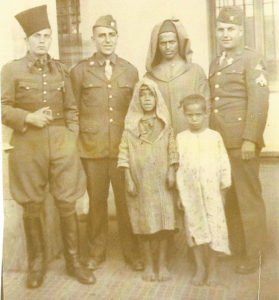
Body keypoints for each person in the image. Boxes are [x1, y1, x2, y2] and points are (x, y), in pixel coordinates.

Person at [1, 5, 95, 288]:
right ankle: (36, 264)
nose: (42, 41)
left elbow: (72, 108)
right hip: (28, 141)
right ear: (27, 40)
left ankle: (73, 262)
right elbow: (2, 106)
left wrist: (71, 137)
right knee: (32, 204)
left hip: (61, 141)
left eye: (47, 36)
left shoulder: (61, 70)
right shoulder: (11, 70)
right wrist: (27, 117)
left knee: (67, 202)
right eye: (37, 37)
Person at [70, 15, 142, 271]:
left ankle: (132, 251)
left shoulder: (130, 70)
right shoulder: (80, 71)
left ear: (117, 38)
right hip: (93, 149)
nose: (107, 40)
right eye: (102, 35)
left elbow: (137, 111)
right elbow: (73, 110)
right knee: (97, 203)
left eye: (111, 35)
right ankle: (96, 251)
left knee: (126, 203)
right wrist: (76, 145)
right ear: (93, 39)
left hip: (122, 149)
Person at [209, 6, 269, 273]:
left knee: (248, 199)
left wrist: (250, 139)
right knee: (230, 197)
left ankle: (254, 254)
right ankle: (237, 246)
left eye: (231, 29)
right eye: (221, 29)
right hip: (220, 143)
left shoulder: (251, 59)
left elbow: (259, 101)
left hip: (241, 142)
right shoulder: (216, 61)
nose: (225, 34)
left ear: (242, 32)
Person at [118, 78, 178, 281]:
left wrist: (171, 171)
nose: (146, 99)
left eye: (150, 95)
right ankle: (149, 265)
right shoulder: (130, 127)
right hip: (139, 182)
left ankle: (161, 264)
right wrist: (128, 178)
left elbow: (173, 150)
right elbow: (124, 153)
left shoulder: (166, 126)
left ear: (156, 98)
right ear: (137, 99)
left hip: (162, 182)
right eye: (142, 95)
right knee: (142, 223)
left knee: (163, 223)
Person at [176, 95, 231, 285]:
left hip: (212, 193)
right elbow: (178, 168)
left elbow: (224, 164)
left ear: (206, 114)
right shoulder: (181, 138)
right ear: (184, 115)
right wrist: (179, 195)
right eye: (190, 115)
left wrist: (223, 191)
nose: (194, 119)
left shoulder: (214, 137)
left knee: (215, 229)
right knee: (195, 228)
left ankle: (213, 268)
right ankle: (200, 268)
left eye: (198, 114)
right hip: (190, 194)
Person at [145, 18, 210, 134]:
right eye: (163, 43)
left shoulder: (195, 71)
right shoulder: (149, 77)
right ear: (157, 45)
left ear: (179, 42)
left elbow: (206, 107)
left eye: (172, 42)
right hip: (161, 137)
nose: (168, 47)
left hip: (191, 136)